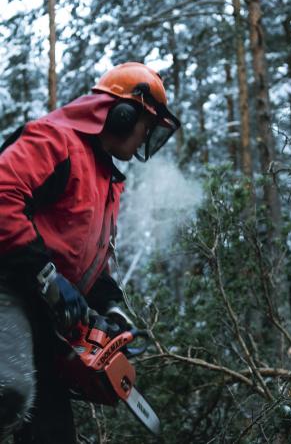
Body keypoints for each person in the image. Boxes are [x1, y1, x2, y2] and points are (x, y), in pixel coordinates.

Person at [0, 62, 180, 443]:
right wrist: (45, 275)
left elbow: (89, 262)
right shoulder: (54, 141)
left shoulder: (105, 180)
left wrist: (110, 308)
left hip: (43, 314)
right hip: (8, 287)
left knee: (50, 431)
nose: (144, 136)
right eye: (145, 126)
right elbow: (3, 195)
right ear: (121, 114)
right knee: (10, 390)